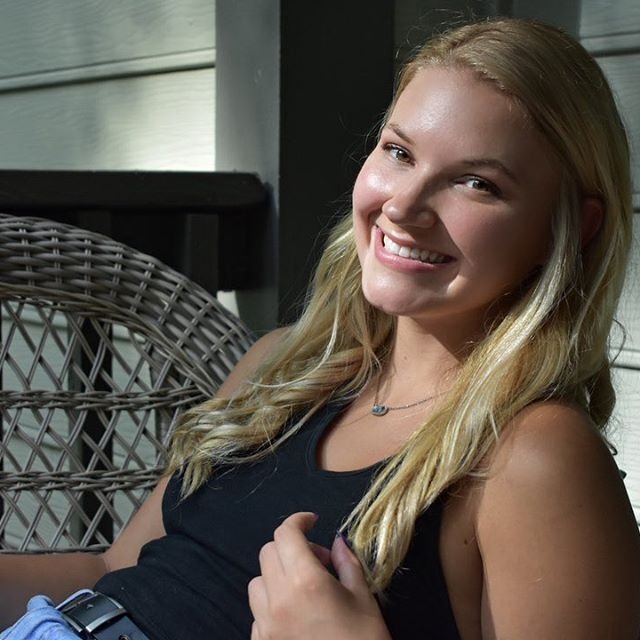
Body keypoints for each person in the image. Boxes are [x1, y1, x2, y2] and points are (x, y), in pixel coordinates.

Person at [1, 16, 640, 640]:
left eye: (476, 183)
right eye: (399, 152)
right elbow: (112, 569)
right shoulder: (286, 363)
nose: (403, 206)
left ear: (572, 228)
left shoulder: (533, 456)